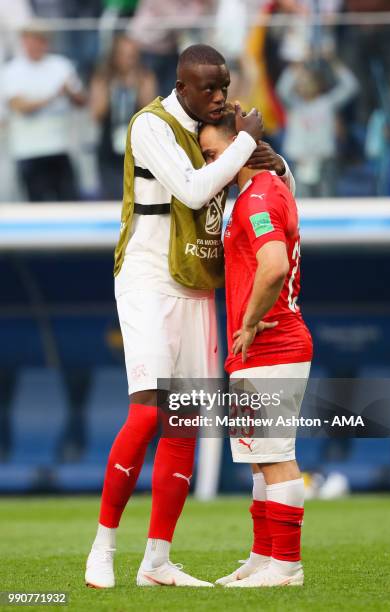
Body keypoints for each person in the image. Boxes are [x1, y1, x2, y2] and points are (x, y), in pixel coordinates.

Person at [85, 43, 296, 589]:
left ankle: (157, 560)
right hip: (149, 278)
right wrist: (248, 138)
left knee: (185, 419)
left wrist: (272, 158)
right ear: (183, 86)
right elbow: (196, 187)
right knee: (149, 411)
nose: (221, 97)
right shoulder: (148, 125)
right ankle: (103, 545)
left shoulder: (221, 123)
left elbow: (259, 177)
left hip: (199, 284)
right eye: (210, 88)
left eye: (224, 87)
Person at [198, 104, 313, 587]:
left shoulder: (258, 199)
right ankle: (263, 557)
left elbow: (273, 266)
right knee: (260, 458)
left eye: (211, 153)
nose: (208, 166)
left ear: (239, 148)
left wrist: (248, 322)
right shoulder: (259, 191)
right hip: (262, 348)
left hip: (272, 343)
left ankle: (286, 566)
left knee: (276, 455)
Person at [2, 24, 86, 201]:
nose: (36, 45)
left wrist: (69, 93)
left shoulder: (61, 65)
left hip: (60, 146)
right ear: (24, 42)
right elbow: (20, 106)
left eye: (40, 40)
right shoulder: (12, 70)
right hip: (29, 150)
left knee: (70, 201)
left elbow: (81, 101)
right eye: (32, 40)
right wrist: (55, 96)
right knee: (38, 204)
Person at [277, 58, 358, 197]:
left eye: (309, 81)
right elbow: (281, 89)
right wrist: (297, 67)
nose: (305, 85)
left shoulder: (327, 103)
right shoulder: (294, 104)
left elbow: (351, 86)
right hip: (299, 162)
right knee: (299, 203)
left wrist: (334, 63)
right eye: (302, 82)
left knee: (327, 203)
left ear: (318, 83)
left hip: (324, 162)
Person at [90, 33, 157, 200]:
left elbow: (150, 110)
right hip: (109, 147)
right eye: (125, 55)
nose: (129, 60)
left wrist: (135, 85)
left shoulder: (145, 77)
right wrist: (113, 88)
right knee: (112, 196)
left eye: (133, 56)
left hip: (138, 149)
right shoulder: (103, 78)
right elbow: (97, 113)